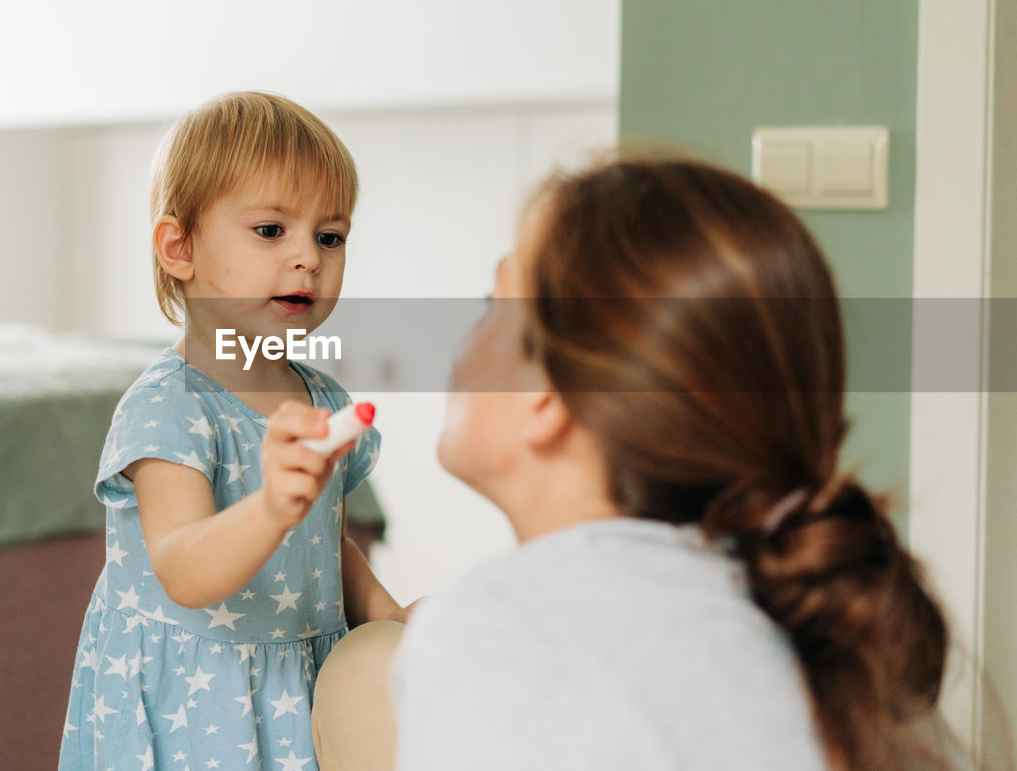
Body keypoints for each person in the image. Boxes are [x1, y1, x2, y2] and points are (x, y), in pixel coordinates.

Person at [311, 155, 953, 771]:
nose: (463, 340)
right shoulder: (804, 634)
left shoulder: (506, 630)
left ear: (544, 398)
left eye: (491, 308)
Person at [60, 91, 409, 771]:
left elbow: (325, 538)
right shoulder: (169, 408)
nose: (308, 256)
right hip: (195, 699)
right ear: (180, 247)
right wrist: (271, 507)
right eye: (272, 230)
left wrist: (387, 617)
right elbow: (185, 566)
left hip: (297, 681)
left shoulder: (319, 395)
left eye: (330, 236)